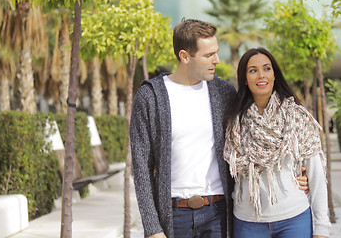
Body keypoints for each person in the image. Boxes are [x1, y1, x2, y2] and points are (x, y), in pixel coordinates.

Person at [130, 19, 310, 238]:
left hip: (218, 214)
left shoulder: (223, 92)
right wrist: (152, 228)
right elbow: (141, 167)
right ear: (185, 56)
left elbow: (255, 140)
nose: (216, 60)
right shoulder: (150, 97)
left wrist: (298, 172)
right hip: (174, 215)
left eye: (216, 52)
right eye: (208, 55)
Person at [223, 47, 330, 238]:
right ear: (245, 79)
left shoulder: (297, 116)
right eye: (253, 70)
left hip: (294, 218)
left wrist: (322, 227)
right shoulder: (234, 122)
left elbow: (316, 174)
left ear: (274, 75)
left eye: (267, 68)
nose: (261, 75)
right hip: (248, 222)